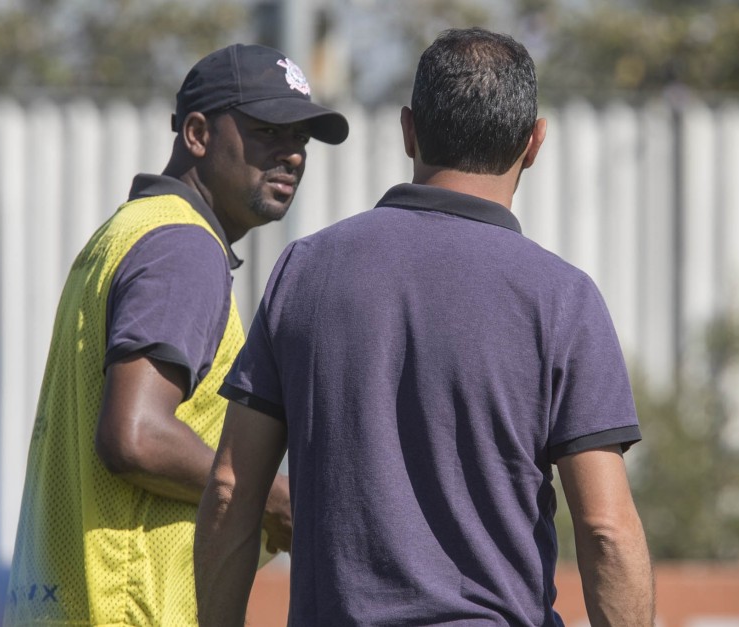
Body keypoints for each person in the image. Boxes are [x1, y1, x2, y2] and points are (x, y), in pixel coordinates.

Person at [195, 27, 654, 627]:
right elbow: (606, 530)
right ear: (534, 142)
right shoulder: (561, 298)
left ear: (409, 129)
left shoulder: (305, 271)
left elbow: (231, 487)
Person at [4, 43, 348, 627]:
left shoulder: (130, 230)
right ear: (197, 133)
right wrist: (272, 498)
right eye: (268, 131)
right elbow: (134, 436)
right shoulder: (182, 246)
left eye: (302, 141)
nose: (291, 155)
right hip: (127, 610)